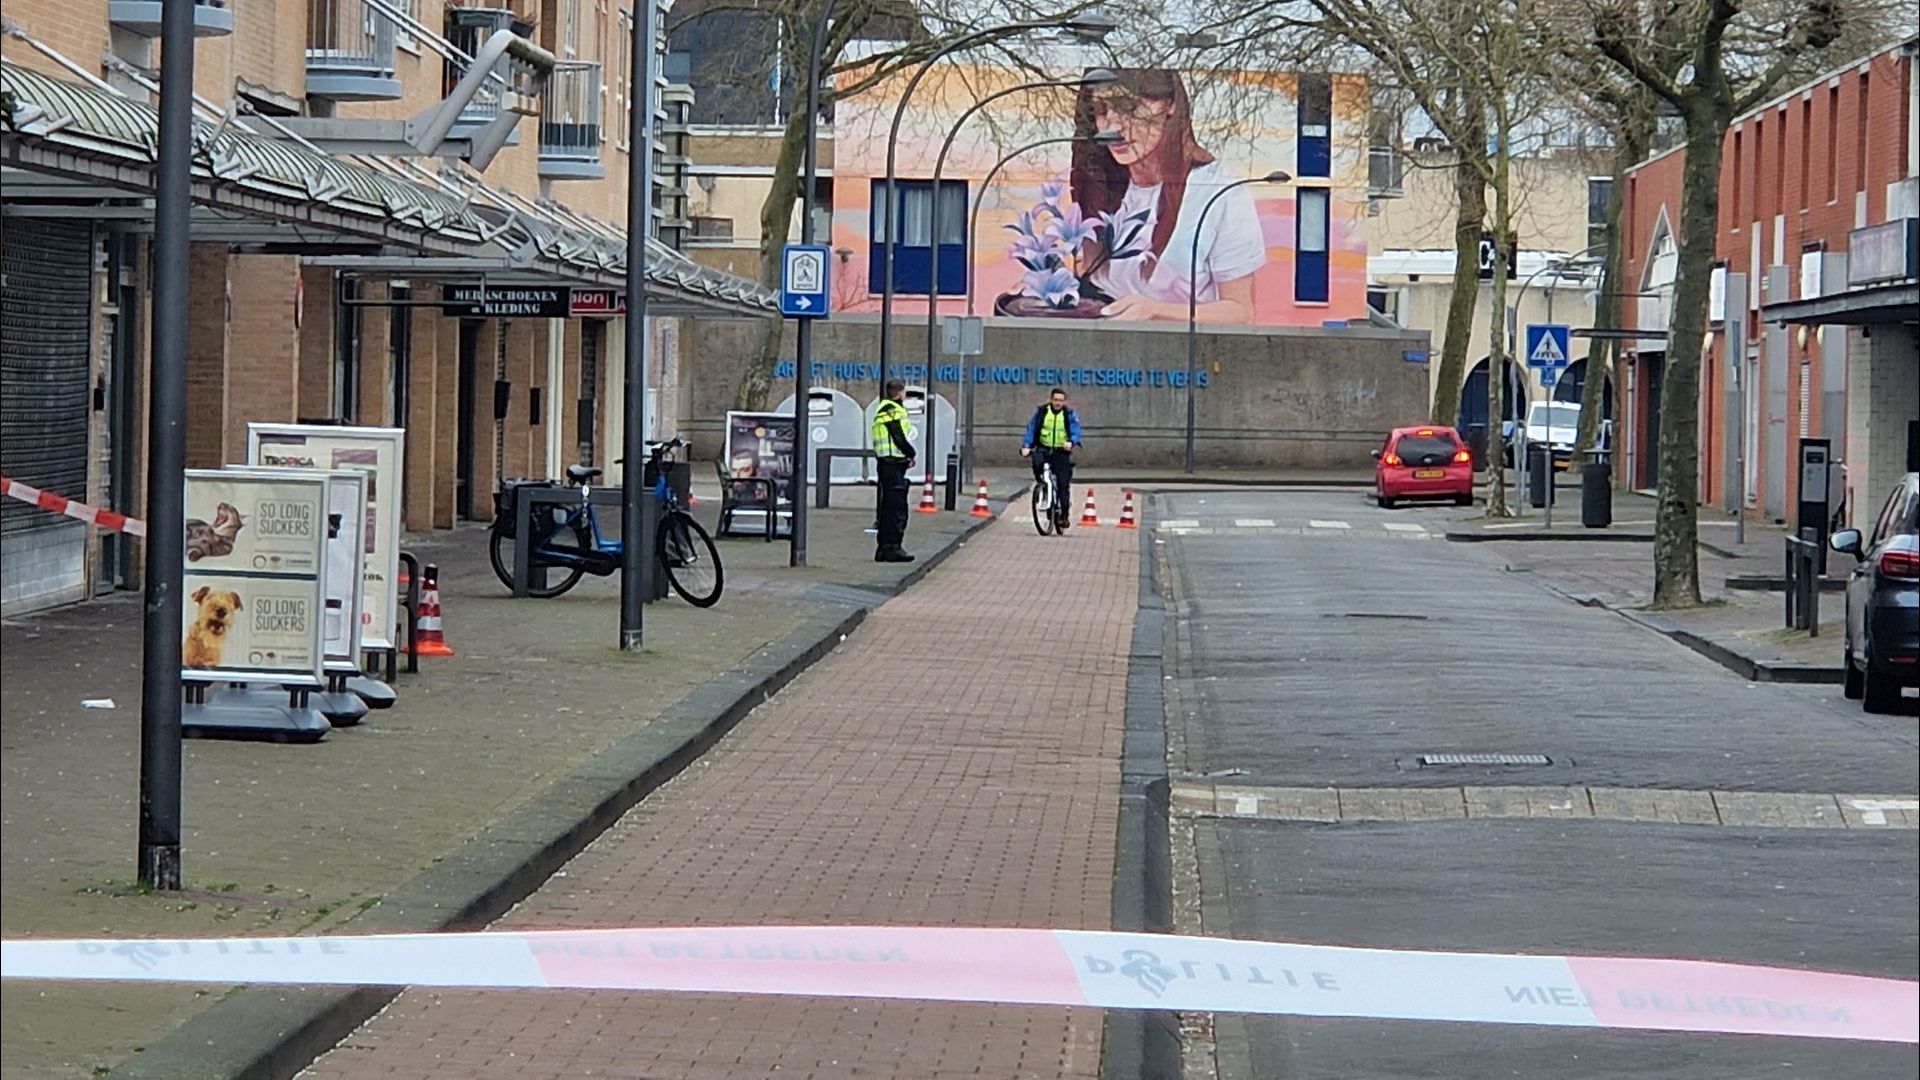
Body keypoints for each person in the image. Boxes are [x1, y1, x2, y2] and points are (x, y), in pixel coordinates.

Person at [1069, 69, 1267, 323]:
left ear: (1169, 105)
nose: (1113, 126)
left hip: (1181, 355)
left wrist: (1155, 311)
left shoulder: (1221, 191)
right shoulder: (1099, 185)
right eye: (1100, 109)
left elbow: (1240, 312)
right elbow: (1089, 280)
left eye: (1129, 107)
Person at [1022, 388, 1082, 529]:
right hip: (1044, 448)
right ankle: (1043, 489)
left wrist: (1071, 442)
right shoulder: (1042, 412)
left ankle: (1064, 515)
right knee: (1037, 466)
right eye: (1055, 400)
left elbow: (1076, 430)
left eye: (1060, 400)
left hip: (1061, 451)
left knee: (1062, 484)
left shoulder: (1069, 414)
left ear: (1064, 402)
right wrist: (1026, 446)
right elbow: (1032, 429)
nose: (1058, 403)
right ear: (1051, 400)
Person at [871, 379, 917, 563]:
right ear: (900, 392)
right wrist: (911, 453)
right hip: (891, 463)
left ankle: (884, 548)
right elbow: (897, 435)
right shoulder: (891, 409)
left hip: (889, 463)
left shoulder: (885, 408)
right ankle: (892, 547)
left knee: (888, 507)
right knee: (896, 508)